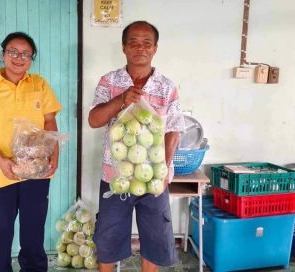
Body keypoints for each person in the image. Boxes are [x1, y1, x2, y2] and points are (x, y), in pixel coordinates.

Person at [88, 21, 184, 272]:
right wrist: (121, 99)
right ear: (123, 47)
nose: (140, 48)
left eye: (146, 43)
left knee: (154, 237)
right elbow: (94, 120)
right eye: (133, 42)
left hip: (153, 177)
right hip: (115, 175)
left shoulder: (167, 87)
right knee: (108, 236)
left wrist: (163, 169)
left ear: (155, 49)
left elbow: (174, 129)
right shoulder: (109, 82)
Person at [0, 32, 62, 272]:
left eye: (25, 54)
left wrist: (54, 152)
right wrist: (2, 162)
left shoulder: (39, 84)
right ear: (3, 55)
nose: (18, 58)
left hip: (36, 172)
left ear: (31, 58)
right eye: (13, 52)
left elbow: (49, 120)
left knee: (33, 234)